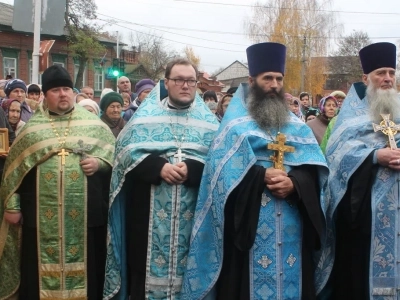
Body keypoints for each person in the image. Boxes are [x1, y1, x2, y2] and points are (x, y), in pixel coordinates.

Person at [181, 42, 329, 300]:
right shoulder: (234, 127)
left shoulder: (298, 127)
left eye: (279, 79)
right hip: (248, 232)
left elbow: (316, 175)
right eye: (267, 78)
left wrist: (295, 183)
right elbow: (219, 180)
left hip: (294, 231)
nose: (274, 85)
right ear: (252, 80)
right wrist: (261, 176)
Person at [103, 58, 219, 300]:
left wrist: (192, 169)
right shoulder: (144, 119)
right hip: (146, 221)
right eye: (178, 80)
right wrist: (159, 168)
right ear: (166, 82)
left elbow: (221, 164)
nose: (185, 85)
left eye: (190, 81)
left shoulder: (211, 125)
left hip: (195, 224)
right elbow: (124, 155)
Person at [0, 65, 115, 300]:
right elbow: (13, 171)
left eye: (67, 89)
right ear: (45, 95)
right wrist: (12, 205)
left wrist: (99, 163)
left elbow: (114, 160)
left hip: (86, 220)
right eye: (56, 90)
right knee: (36, 274)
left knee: (90, 273)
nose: (63, 94)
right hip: (40, 222)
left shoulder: (94, 126)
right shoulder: (32, 130)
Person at [325, 42, 400, 300]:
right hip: (364, 216)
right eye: (381, 72)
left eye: (392, 72)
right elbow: (336, 156)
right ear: (366, 78)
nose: (388, 78)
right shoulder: (350, 116)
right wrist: (375, 156)